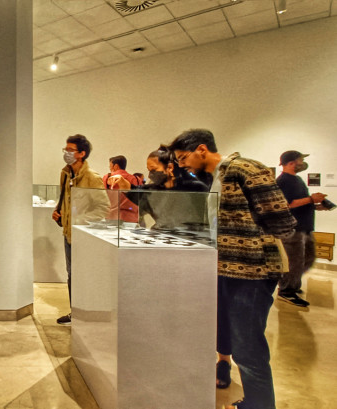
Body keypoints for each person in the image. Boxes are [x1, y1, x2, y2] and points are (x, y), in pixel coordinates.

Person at [169, 129, 296, 409]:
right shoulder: (216, 178)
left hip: (251, 273)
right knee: (239, 343)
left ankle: (260, 405)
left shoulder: (245, 168)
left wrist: (251, 242)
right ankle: (254, 401)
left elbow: (281, 221)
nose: (182, 165)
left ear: (201, 149)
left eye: (183, 158)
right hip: (228, 270)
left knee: (248, 347)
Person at [52, 134, 108, 325]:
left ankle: (87, 313)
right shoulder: (65, 173)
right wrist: (59, 213)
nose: (66, 153)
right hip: (68, 234)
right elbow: (65, 201)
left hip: (84, 236)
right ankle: (75, 312)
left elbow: (103, 208)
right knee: (72, 275)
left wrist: (79, 221)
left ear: (82, 154)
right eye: (65, 150)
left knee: (84, 275)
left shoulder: (92, 178)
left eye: (70, 150)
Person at [108, 145, 209, 229]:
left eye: (153, 170)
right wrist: (123, 183)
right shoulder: (154, 189)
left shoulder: (196, 188)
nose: (150, 175)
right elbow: (136, 191)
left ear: (170, 167)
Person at [276, 150, 328, 307]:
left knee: (307, 258)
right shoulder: (283, 181)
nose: (302, 163)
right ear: (291, 162)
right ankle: (287, 290)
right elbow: (287, 204)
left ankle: (291, 284)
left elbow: (301, 202)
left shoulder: (297, 179)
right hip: (293, 228)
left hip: (305, 226)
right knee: (294, 261)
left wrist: (316, 205)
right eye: (300, 160)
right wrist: (311, 199)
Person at [102, 155, 141, 222]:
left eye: (110, 166)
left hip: (113, 217)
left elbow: (103, 197)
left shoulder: (107, 177)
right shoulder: (137, 179)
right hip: (132, 218)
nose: (110, 169)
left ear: (116, 166)